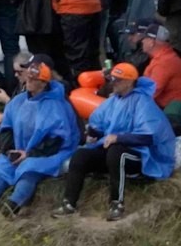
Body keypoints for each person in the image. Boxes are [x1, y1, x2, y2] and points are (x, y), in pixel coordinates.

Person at [53, 61, 177, 221]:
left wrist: (119, 138)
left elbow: (148, 136)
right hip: (113, 150)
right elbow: (100, 124)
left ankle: (116, 204)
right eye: (112, 79)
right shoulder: (113, 101)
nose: (113, 83)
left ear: (129, 81)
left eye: (118, 80)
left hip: (143, 156)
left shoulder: (143, 102)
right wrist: (92, 133)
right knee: (81, 155)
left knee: (116, 152)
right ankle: (68, 203)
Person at [0, 60, 78, 218]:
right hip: (18, 150)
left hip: (47, 153)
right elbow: (6, 127)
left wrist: (29, 154)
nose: (28, 81)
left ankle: (14, 205)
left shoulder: (56, 106)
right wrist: (10, 150)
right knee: (2, 170)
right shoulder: (18, 102)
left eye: (33, 79)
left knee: (29, 170)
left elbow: (58, 139)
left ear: (42, 82)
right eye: (28, 78)